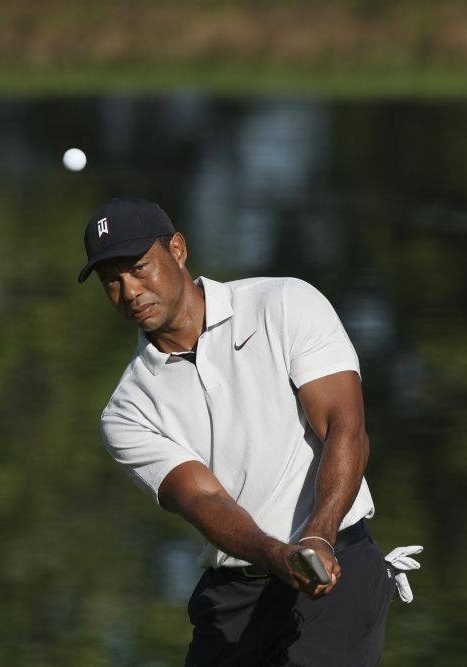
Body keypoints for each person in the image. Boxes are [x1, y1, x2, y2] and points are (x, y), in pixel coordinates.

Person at [79, 197, 401, 666]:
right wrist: (277, 556)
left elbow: (344, 428)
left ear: (178, 249)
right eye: (113, 282)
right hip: (235, 594)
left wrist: (317, 539)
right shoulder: (128, 410)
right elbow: (205, 502)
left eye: (140, 269)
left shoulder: (284, 303)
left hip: (338, 566)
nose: (130, 292)